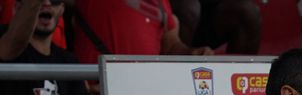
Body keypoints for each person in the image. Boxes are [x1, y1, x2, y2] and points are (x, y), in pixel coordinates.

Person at [72, 0, 213, 63]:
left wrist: (191, 53)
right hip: (99, 92)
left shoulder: (159, 2)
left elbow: (170, 46)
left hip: (145, 93)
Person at [173, 0, 263, 55]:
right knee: (189, 7)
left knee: (247, 12)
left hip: (213, 13)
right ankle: (176, 74)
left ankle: (238, 77)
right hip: (174, 11)